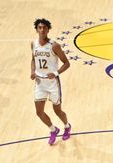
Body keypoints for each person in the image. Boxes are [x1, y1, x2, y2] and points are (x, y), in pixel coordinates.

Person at [30, 18, 71, 146]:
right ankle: (53, 130)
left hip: (52, 82)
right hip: (40, 82)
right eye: (40, 28)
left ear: (48, 30)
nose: (42, 30)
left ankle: (67, 126)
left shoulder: (54, 46)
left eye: (44, 28)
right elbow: (33, 59)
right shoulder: (33, 44)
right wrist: (32, 71)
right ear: (37, 29)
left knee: (57, 111)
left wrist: (56, 73)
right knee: (39, 112)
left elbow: (67, 63)